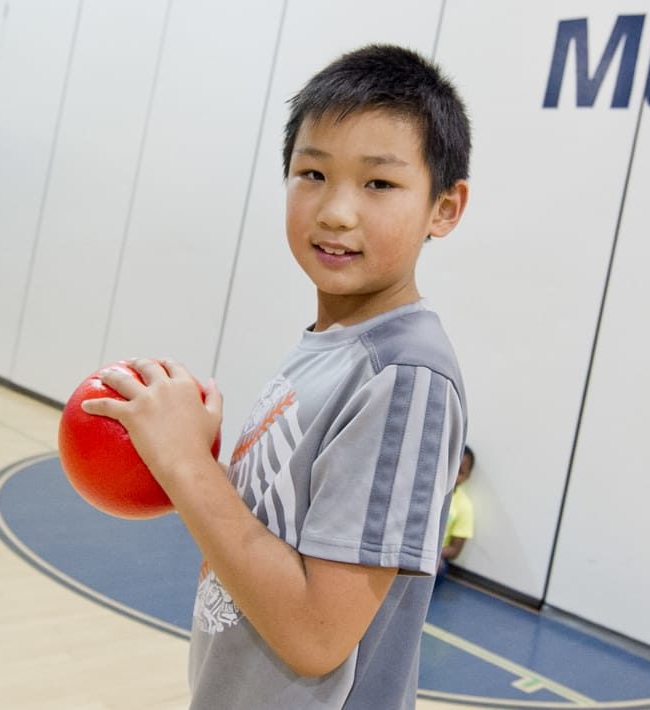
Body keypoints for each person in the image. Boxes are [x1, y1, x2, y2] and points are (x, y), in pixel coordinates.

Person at [81, 44, 471, 709]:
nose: (336, 211)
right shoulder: (329, 344)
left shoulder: (404, 377)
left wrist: (187, 467)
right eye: (312, 173)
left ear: (444, 208)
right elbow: (274, 535)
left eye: (379, 183)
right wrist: (199, 455)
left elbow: (316, 636)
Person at [440, 445, 475, 572]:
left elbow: (455, 550)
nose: (453, 475)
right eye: (451, 467)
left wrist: (430, 555)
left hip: (437, 557)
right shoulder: (426, 492)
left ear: (467, 476)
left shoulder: (464, 506)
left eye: (460, 472)